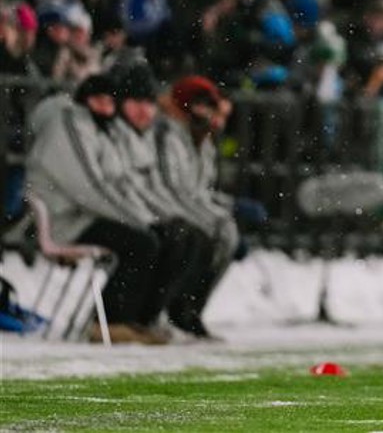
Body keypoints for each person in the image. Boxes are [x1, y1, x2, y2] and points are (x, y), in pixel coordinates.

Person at [23, 73, 170, 344]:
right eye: (98, 100)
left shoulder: (100, 128)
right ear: (84, 100)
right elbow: (89, 188)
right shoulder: (69, 125)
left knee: (163, 236)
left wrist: (148, 217)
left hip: (88, 214)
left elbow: (120, 184)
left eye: (110, 101)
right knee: (141, 243)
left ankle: (136, 319)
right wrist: (139, 220)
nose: (105, 108)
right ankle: (111, 321)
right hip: (65, 221)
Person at [106, 62, 216, 339]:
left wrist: (167, 213)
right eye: (135, 101)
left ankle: (148, 316)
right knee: (165, 238)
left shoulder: (143, 137)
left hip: (140, 210)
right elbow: (121, 186)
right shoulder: (116, 135)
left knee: (193, 237)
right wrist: (158, 215)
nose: (143, 110)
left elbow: (154, 188)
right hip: (114, 212)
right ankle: (120, 317)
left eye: (149, 102)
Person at [152, 75, 241, 339]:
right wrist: (211, 218)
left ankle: (190, 310)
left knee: (224, 234)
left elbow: (200, 190)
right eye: (203, 107)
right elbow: (174, 188)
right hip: (160, 208)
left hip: (182, 208)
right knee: (201, 237)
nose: (214, 119)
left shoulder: (201, 141)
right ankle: (174, 310)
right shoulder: (169, 135)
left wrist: (223, 210)